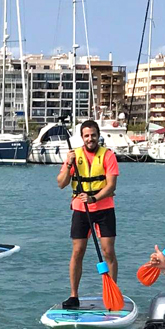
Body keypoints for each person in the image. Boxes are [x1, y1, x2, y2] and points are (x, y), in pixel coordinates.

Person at [55, 119, 119, 309]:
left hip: (104, 209)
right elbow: (61, 183)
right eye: (86, 136)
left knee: (108, 252)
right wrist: (68, 164)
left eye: (93, 135)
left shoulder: (108, 156)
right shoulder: (74, 156)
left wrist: (94, 198)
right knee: (78, 251)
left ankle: (111, 294)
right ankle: (74, 296)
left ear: (98, 135)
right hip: (80, 210)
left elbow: (111, 186)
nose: (90, 139)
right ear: (82, 137)